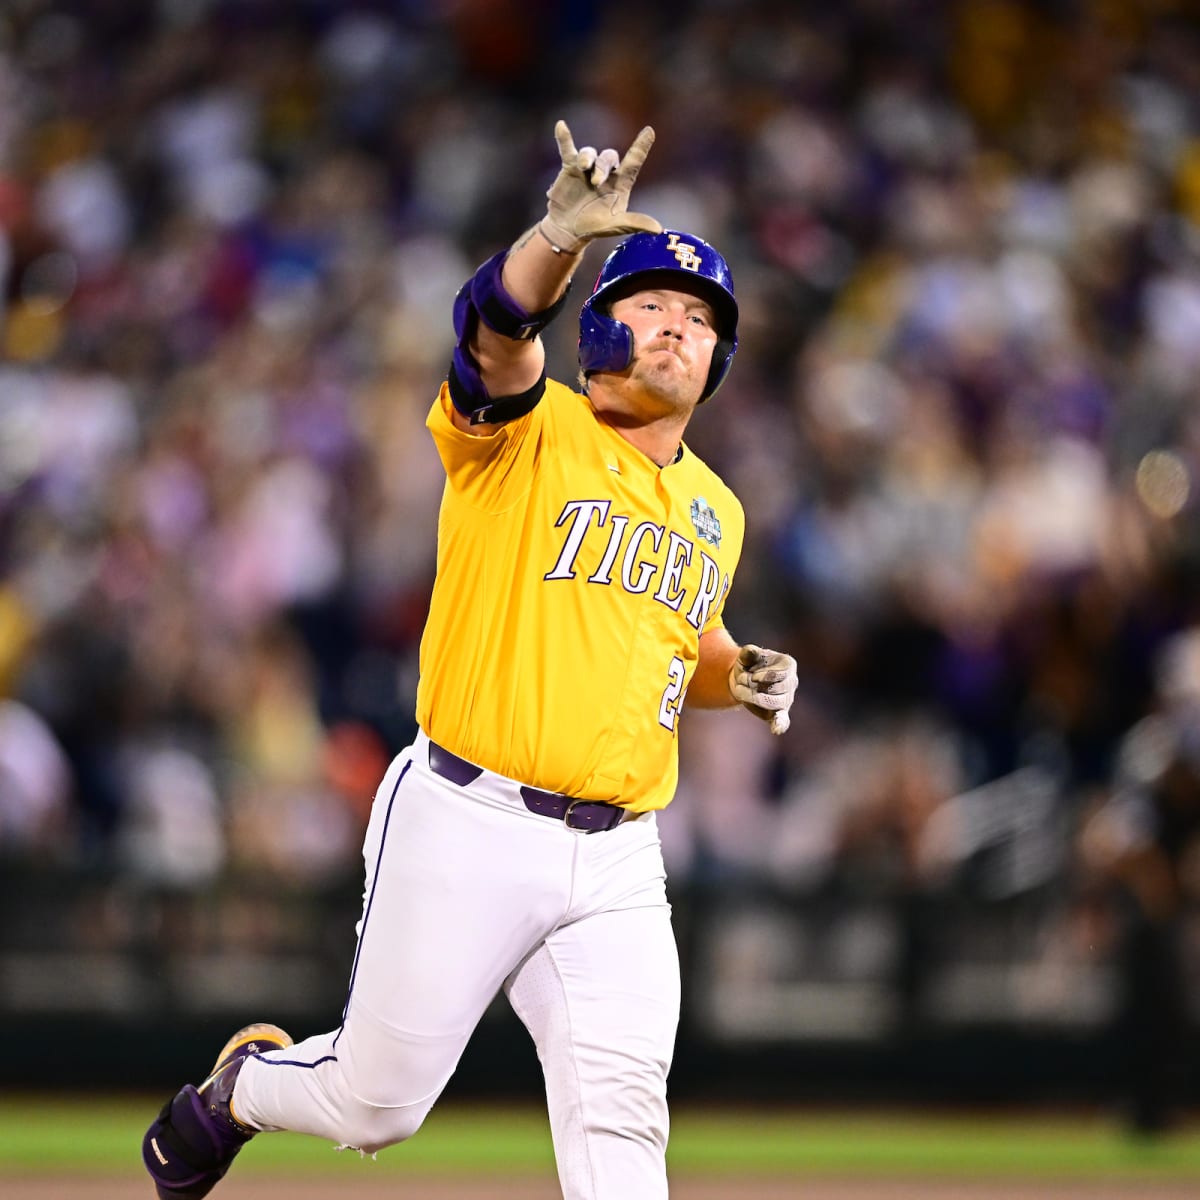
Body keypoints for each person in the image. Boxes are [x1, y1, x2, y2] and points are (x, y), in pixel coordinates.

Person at [142, 119, 798, 1200]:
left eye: (698, 318)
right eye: (650, 306)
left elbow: (686, 652)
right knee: (377, 1102)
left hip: (622, 856)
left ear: (721, 359)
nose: (677, 328)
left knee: (623, 1123)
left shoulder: (716, 510)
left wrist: (742, 673)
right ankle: (243, 1088)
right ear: (596, 326)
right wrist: (556, 236)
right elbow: (493, 327)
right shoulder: (528, 429)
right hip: (469, 816)